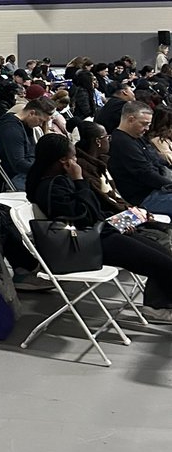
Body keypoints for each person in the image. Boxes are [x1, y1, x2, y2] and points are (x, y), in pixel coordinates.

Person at [27, 133, 172, 322]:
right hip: (92, 243)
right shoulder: (52, 187)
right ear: (63, 160)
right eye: (73, 156)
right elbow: (83, 217)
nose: (76, 160)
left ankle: (157, 304)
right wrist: (79, 180)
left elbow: (92, 212)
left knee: (165, 253)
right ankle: (157, 307)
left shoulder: (59, 181)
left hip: (103, 233)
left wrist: (122, 222)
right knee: (165, 264)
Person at [109, 100, 172, 216]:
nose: (147, 128)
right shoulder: (122, 143)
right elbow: (145, 173)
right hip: (144, 197)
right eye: (144, 124)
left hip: (157, 188)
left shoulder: (136, 136)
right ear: (131, 119)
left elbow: (157, 161)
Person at [0, 97, 56, 189]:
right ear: (32, 113)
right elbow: (18, 164)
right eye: (41, 120)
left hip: (29, 169)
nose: (40, 124)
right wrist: (44, 170)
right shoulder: (11, 130)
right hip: (18, 176)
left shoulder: (25, 124)